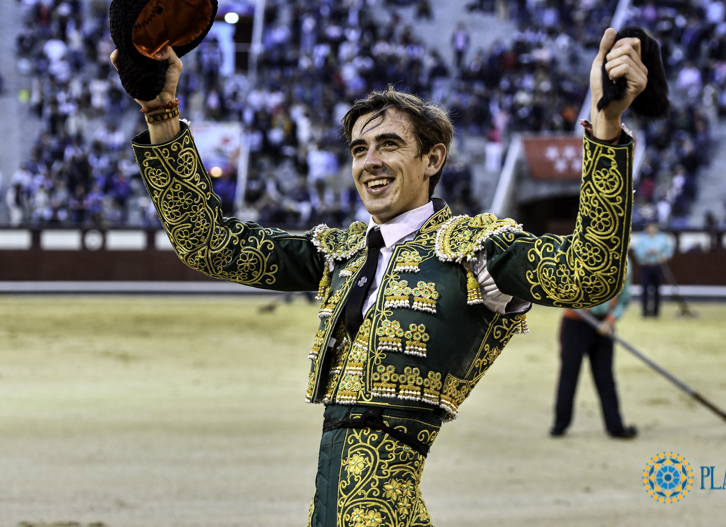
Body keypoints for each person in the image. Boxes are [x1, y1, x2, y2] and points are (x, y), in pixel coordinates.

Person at [113, 26, 647, 526]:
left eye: (389, 144)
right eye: (359, 149)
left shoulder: (478, 250)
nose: (370, 161)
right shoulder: (339, 252)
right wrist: (162, 113)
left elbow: (591, 274)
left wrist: (607, 128)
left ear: (433, 158)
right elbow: (212, 246)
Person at [550, 260, 637, 439]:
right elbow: (561, 286)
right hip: (575, 322)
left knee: (605, 377)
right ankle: (560, 425)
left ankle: (615, 426)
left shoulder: (624, 264)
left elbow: (624, 299)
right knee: (569, 374)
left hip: (604, 325)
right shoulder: (577, 255)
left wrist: (611, 321)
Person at [632, 220, 674, 317]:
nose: (651, 229)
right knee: (644, 289)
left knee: (657, 289)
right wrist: (647, 252)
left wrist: (664, 256)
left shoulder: (662, 238)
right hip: (645, 266)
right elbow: (637, 252)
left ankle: (656, 311)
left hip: (657, 266)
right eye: (649, 227)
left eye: (653, 227)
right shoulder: (642, 238)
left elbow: (668, 251)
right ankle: (645, 311)